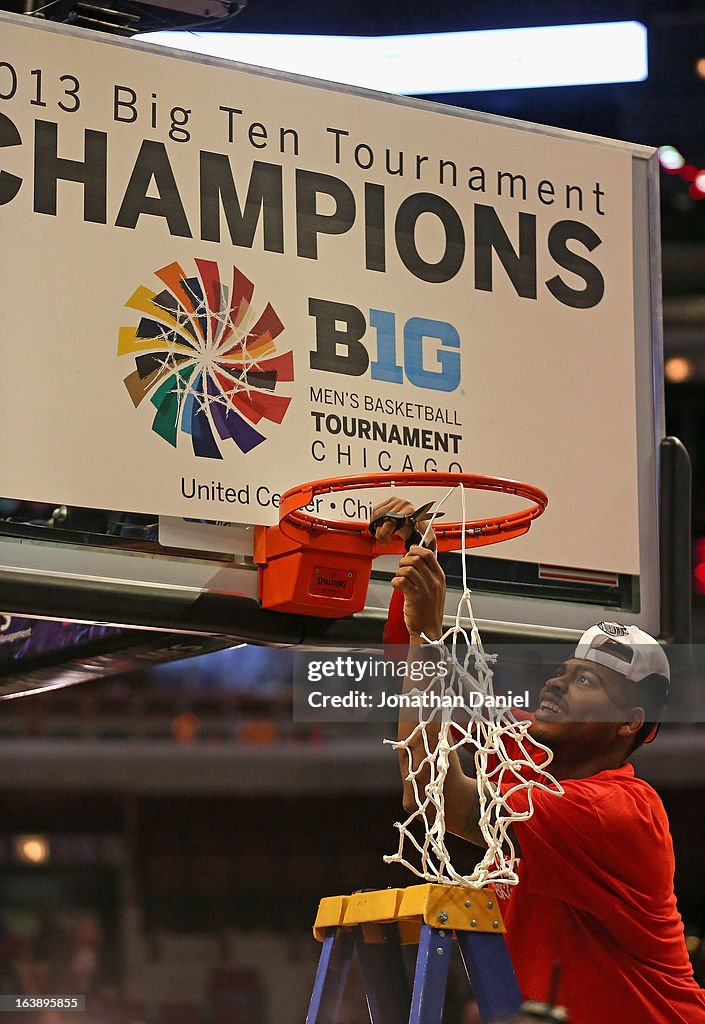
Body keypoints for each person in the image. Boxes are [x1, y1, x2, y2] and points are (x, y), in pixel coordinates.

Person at [371, 498, 705, 1024]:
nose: (556, 681)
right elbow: (414, 698)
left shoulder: (619, 811)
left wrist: (429, 633)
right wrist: (417, 568)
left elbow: (442, 800)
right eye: (564, 670)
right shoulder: (526, 753)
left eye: (585, 680)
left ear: (628, 722)